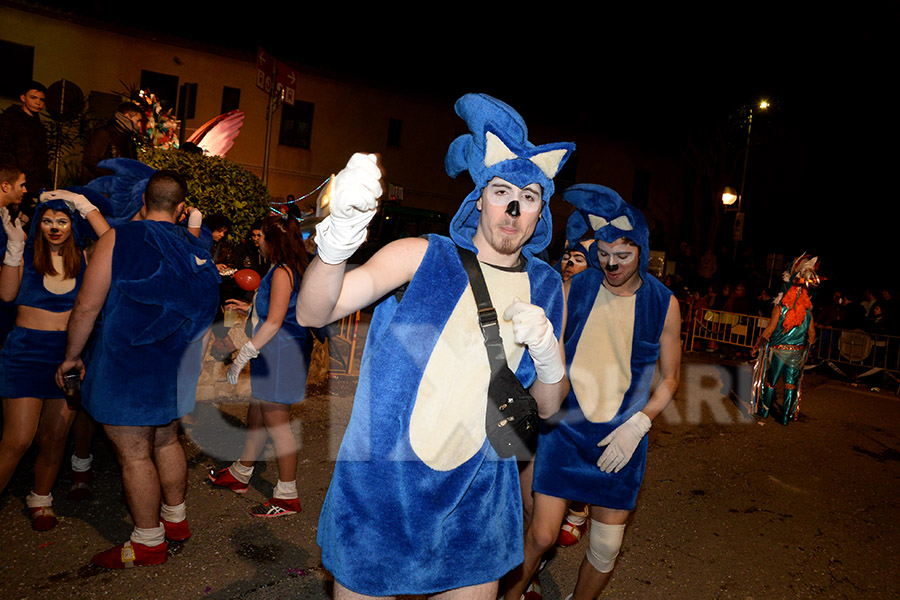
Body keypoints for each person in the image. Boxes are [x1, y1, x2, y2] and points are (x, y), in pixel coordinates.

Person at [295, 93, 574, 598]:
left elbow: (548, 410)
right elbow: (314, 313)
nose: (513, 209)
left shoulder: (549, 287)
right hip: (383, 492)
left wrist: (550, 356)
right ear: (479, 198)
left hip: (477, 499)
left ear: (541, 212)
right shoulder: (421, 256)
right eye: (502, 190)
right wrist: (335, 244)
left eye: (529, 196)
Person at [505, 184, 682, 600]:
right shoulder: (578, 286)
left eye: (622, 255)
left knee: (605, 549)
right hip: (566, 429)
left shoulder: (664, 303)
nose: (610, 264)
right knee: (543, 535)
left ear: (641, 249)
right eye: (603, 254)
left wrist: (639, 424)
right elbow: (551, 354)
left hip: (621, 439)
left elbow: (670, 379)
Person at [55, 170, 219, 568]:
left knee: (133, 454)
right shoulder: (197, 247)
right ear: (182, 209)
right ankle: (175, 521)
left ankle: (148, 541)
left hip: (128, 365)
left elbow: (87, 306)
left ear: (144, 200)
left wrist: (72, 356)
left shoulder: (119, 238)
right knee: (166, 440)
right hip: (176, 364)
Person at [0, 189, 109, 530]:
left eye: (62, 221)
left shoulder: (87, 258)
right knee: (18, 439)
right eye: (47, 221)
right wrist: (14, 247)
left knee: (55, 436)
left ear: (71, 224)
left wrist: (83, 204)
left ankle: (41, 498)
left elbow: (112, 239)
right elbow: (6, 295)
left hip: (69, 355)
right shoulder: (27, 253)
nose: (54, 227)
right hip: (25, 352)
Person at [208, 212, 314, 517]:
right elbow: (277, 309)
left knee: (277, 423)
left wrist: (243, 354)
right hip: (278, 351)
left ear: (272, 240)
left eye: (261, 236)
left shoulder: (282, 271)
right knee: (258, 412)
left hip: (281, 352)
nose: (259, 241)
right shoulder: (286, 268)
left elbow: (275, 321)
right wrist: (249, 306)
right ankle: (242, 472)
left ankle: (286, 496)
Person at [751, 255, 818, 426]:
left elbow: (769, 330)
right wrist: (808, 349)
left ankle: (765, 411)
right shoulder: (808, 313)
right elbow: (812, 335)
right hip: (797, 353)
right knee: (790, 385)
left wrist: (758, 345)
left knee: (771, 382)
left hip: (778, 351)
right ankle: (785, 417)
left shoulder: (779, 309)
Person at [0, 82, 50, 202]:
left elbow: (42, 157)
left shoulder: (39, 127)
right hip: (14, 179)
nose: (38, 102)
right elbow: (4, 151)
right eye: (33, 98)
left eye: (42, 100)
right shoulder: (9, 120)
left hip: (35, 183)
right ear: (23, 98)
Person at [80, 102, 142, 183]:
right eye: (138, 121)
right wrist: (113, 177)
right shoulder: (104, 134)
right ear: (127, 116)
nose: (139, 125)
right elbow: (90, 160)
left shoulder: (128, 139)